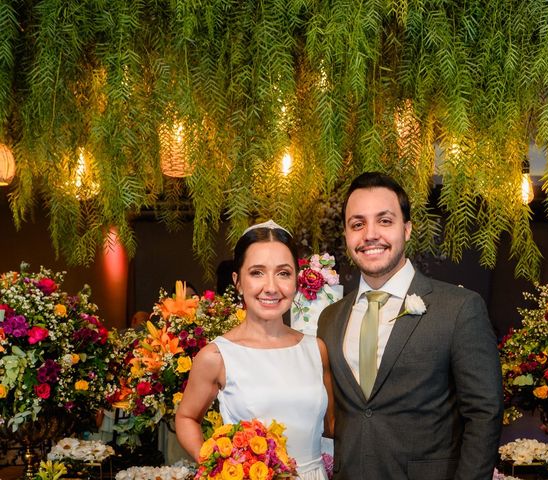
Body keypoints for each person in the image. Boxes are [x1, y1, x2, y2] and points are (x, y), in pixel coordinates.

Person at [317, 172, 503, 480]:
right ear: (347, 235)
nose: (370, 234)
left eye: (385, 221)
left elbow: (484, 414)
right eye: (358, 224)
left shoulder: (459, 308)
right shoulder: (331, 318)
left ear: (407, 228)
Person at [175, 220, 334, 480]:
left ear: (296, 279)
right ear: (238, 282)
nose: (271, 287)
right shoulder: (217, 356)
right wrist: (217, 465)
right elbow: (186, 418)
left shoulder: (315, 349)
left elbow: (332, 426)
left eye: (283, 273)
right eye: (257, 272)